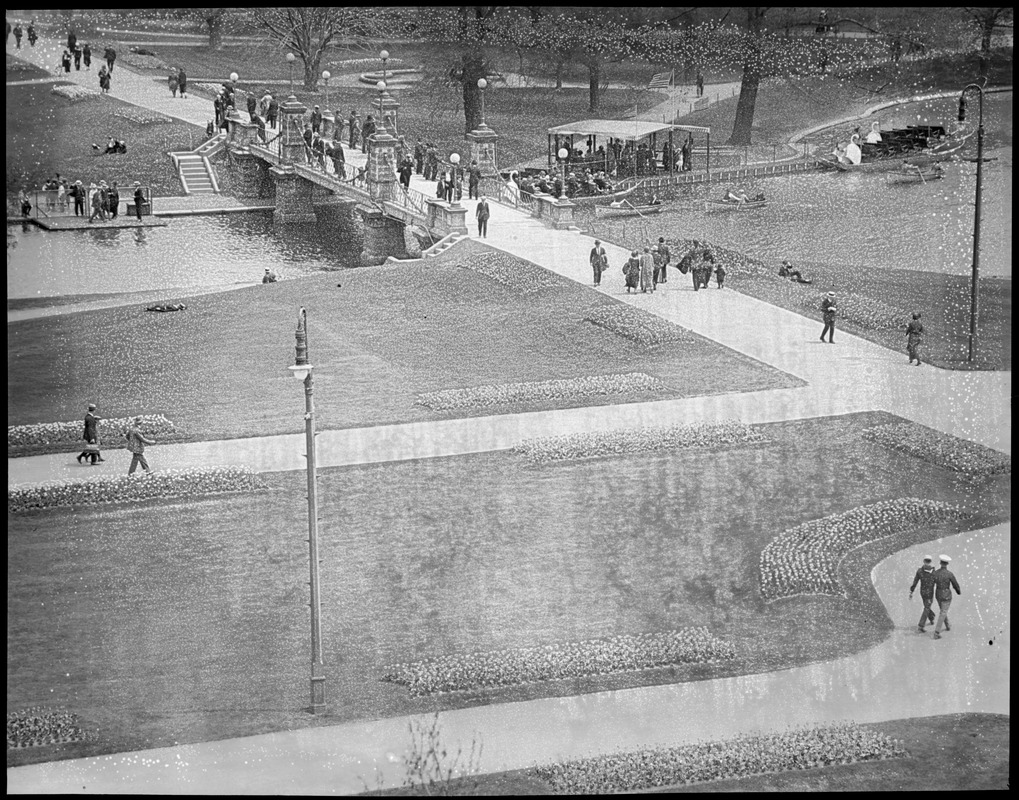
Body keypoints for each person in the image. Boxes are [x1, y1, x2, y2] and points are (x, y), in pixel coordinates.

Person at [932, 555, 961, 640]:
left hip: (938, 594)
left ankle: (947, 625)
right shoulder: (949, 574)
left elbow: (931, 583)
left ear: (940, 563)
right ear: (947, 564)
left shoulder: (936, 573)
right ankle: (937, 632)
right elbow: (955, 584)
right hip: (946, 595)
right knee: (943, 612)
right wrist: (958, 591)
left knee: (942, 610)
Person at [909, 555, 938, 633]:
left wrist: (912, 591)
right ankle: (921, 626)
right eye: (927, 561)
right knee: (927, 607)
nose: (927, 562)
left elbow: (915, 581)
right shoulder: (933, 572)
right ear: (925, 561)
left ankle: (931, 618)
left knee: (927, 606)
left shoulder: (920, 571)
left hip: (923, 592)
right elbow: (937, 582)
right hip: (928, 593)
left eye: (928, 561)